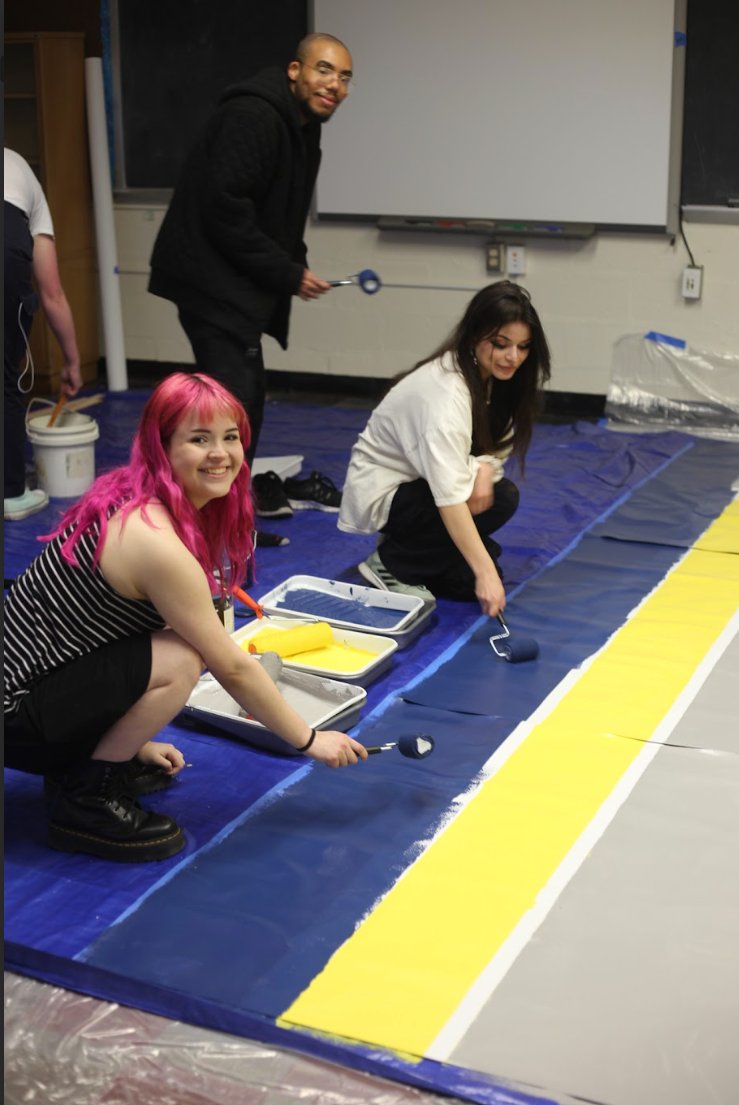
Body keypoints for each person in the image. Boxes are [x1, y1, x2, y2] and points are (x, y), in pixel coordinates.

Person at [3, 372, 367, 864]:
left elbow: (102, 643)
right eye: (199, 439)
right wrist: (308, 739)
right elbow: (231, 665)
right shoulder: (153, 538)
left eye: (230, 437)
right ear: (163, 447)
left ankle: (98, 759)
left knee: (175, 641)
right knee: (182, 654)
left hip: (34, 689)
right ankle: (84, 799)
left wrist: (134, 740)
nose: (221, 453)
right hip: (15, 713)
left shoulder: (144, 498)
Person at [148, 33, 353, 540]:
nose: (334, 85)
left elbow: (282, 217)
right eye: (324, 70)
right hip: (207, 281)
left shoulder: (303, 129)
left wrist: (295, 266)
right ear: (294, 70)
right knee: (229, 411)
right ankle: (202, 526)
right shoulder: (255, 117)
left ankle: (223, 521)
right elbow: (226, 213)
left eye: (345, 77)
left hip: (231, 285)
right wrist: (287, 274)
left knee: (240, 406)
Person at [338, 281, 552, 618]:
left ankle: (417, 553)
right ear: (475, 335)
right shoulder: (445, 395)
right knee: (502, 502)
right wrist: (483, 573)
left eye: (523, 347)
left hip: (425, 483)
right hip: (389, 494)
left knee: (471, 576)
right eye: (501, 344)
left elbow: (492, 451)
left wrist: (484, 467)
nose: (514, 357)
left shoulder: (495, 378)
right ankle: (390, 564)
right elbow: (449, 496)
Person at [4, 148, 83, 521]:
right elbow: (51, 294)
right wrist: (71, 360)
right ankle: (11, 494)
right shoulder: (20, 168)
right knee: (5, 376)